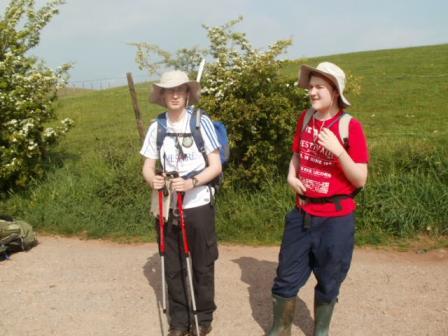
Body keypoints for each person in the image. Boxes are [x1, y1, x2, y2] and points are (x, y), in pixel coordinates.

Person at [268, 62, 369, 336]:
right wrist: (291, 176)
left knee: (329, 280)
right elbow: (297, 155)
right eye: (310, 86)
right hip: (302, 215)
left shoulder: (350, 126)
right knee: (286, 277)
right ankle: (280, 330)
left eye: (319, 87)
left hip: (336, 221)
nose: (312, 92)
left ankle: (320, 331)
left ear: (334, 92)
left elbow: (360, 178)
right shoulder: (306, 118)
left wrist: (338, 151)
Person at [140, 70, 222, 336]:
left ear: (188, 94)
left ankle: (203, 316)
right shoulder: (157, 127)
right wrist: (153, 179)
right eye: (169, 91)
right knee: (172, 266)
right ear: (162, 96)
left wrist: (192, 183)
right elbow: (147, 167)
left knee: (201, 262)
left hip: (198, 203)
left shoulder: (200, 123)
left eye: (180, 90)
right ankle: (179, 321)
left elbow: (216, 166)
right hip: (168, 205)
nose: (175, 95)